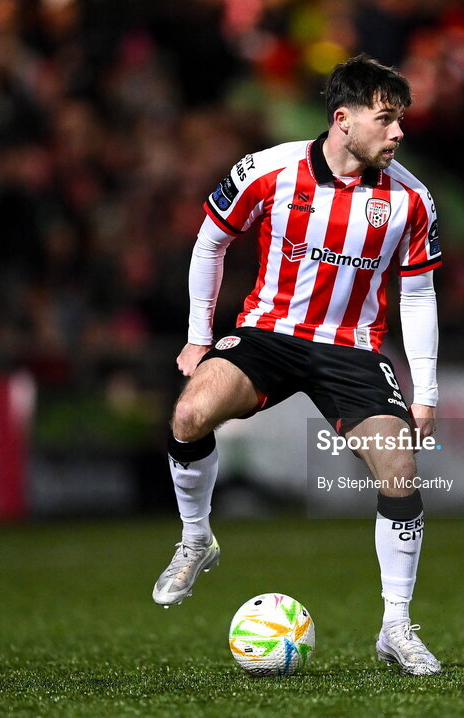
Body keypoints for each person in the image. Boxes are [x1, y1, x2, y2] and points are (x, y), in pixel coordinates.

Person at [152, 54, 443, 676]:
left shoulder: (412, 201)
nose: (398, 133)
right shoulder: (268, 169)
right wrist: (198, 336)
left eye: (401, 121)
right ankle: (197, 538)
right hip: (269, 333)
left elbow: (418, 294)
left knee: (399, 466)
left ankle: (396, 625)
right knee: (190, 414)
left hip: (352, 348)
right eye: (386, 119)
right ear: (343, 119)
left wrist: (427, 390)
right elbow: (212, 241)